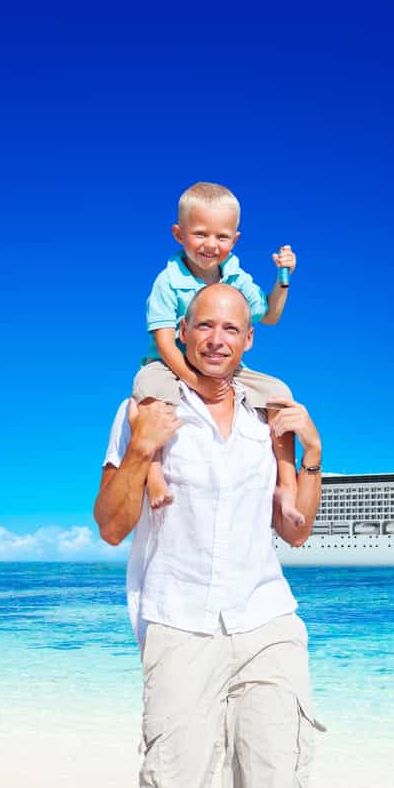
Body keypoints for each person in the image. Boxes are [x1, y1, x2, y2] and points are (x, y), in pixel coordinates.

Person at [93, 282, 326, 788]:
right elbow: (109, 525)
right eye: (206, 325)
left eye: (234, 327)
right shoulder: (146, 410)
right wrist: (139, 451)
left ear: (250, 339)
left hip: (265, 615)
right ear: (181, 332)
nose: (219, 338)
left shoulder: (270, 417)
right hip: (181, 615)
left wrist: (313, 456)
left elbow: (294, 529)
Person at [132, 181, 302, 529]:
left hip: (226, 368)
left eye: (222, 237)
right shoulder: (167, 281)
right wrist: (195, 382)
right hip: (170, 364)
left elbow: (268, 315)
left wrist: (283, 280)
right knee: (149, 390)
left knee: (279, 395)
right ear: (178, 234)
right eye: (200, 234)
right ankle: (153, 474)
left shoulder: (237, 277)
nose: (211, 245)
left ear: (235, 240)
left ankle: (286, 484)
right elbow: (164, 341)